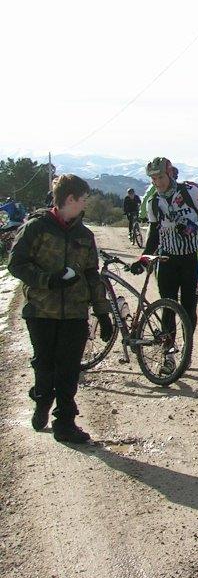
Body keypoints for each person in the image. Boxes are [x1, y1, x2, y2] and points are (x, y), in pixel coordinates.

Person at [7, 174, 113, 443]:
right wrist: (48, 280)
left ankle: (65, 423)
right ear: (70, 199)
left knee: (69, 369)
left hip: (75, 314)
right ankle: (42, 400)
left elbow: (92, 275)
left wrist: (102, 312)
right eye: (83, 199)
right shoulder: (36, 228)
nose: (85, 203)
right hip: (41, 312)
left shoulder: (85, 235)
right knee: (45, 366)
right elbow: (16, 264)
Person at [132, 157, 198, 368]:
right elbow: (153, 235)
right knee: (167, 307)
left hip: (192, 258)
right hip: (167, 259)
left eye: (160, 177)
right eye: (153, 179)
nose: (157, 182)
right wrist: (144, 258)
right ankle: (168, 355)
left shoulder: (189, 192)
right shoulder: (153, 202)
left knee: (188, 308)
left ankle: (187, 350)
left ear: (170, 174)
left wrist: (195, 226)